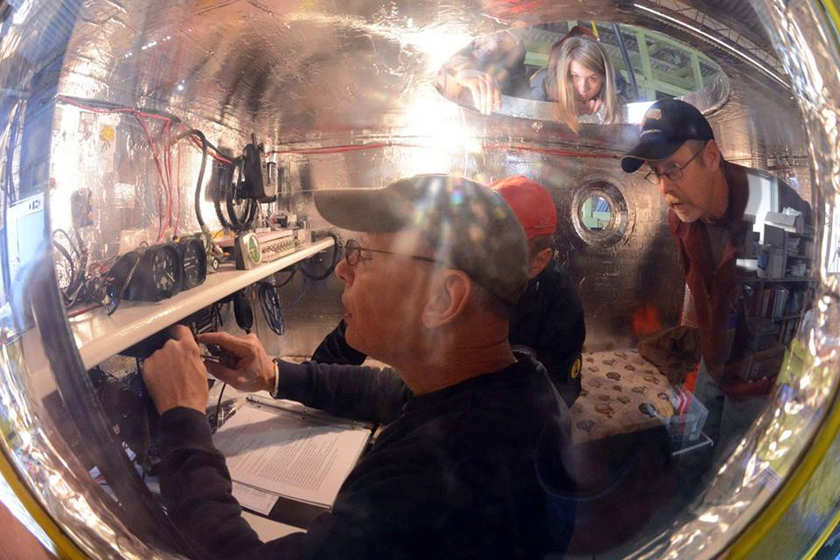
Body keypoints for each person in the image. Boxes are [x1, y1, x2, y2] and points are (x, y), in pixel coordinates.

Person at [142, 174, 574, 559]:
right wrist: (274, 374)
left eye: (363, 255)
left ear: (443, 299)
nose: (343, 270)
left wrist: (183, 419)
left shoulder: (437, 482)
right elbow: (388, 390)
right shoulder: (508, 387)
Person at [620, 98, 811, 460]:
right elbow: (700, 287)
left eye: (673, 168)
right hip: (714, 360)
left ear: (710, 156)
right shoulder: (682, 216)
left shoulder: (778, 211)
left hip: (761, 380)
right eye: (656, 173)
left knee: (729, 470)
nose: (664, 189)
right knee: (690, 453)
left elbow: (813, 308)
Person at [313, 175, 586, 407]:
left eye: (503, 252)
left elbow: (557, 394)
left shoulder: (560, 303)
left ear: (538, 261)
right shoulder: (437, 282)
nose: (474, 258)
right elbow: (362, 334)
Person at [438, 27, 622, 131]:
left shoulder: (613, 86)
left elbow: (622, 101)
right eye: (575, 76)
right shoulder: (544, 82)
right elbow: (539, 94)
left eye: (593, 78)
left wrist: (606, 106)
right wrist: (462, 72)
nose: (583, 87)